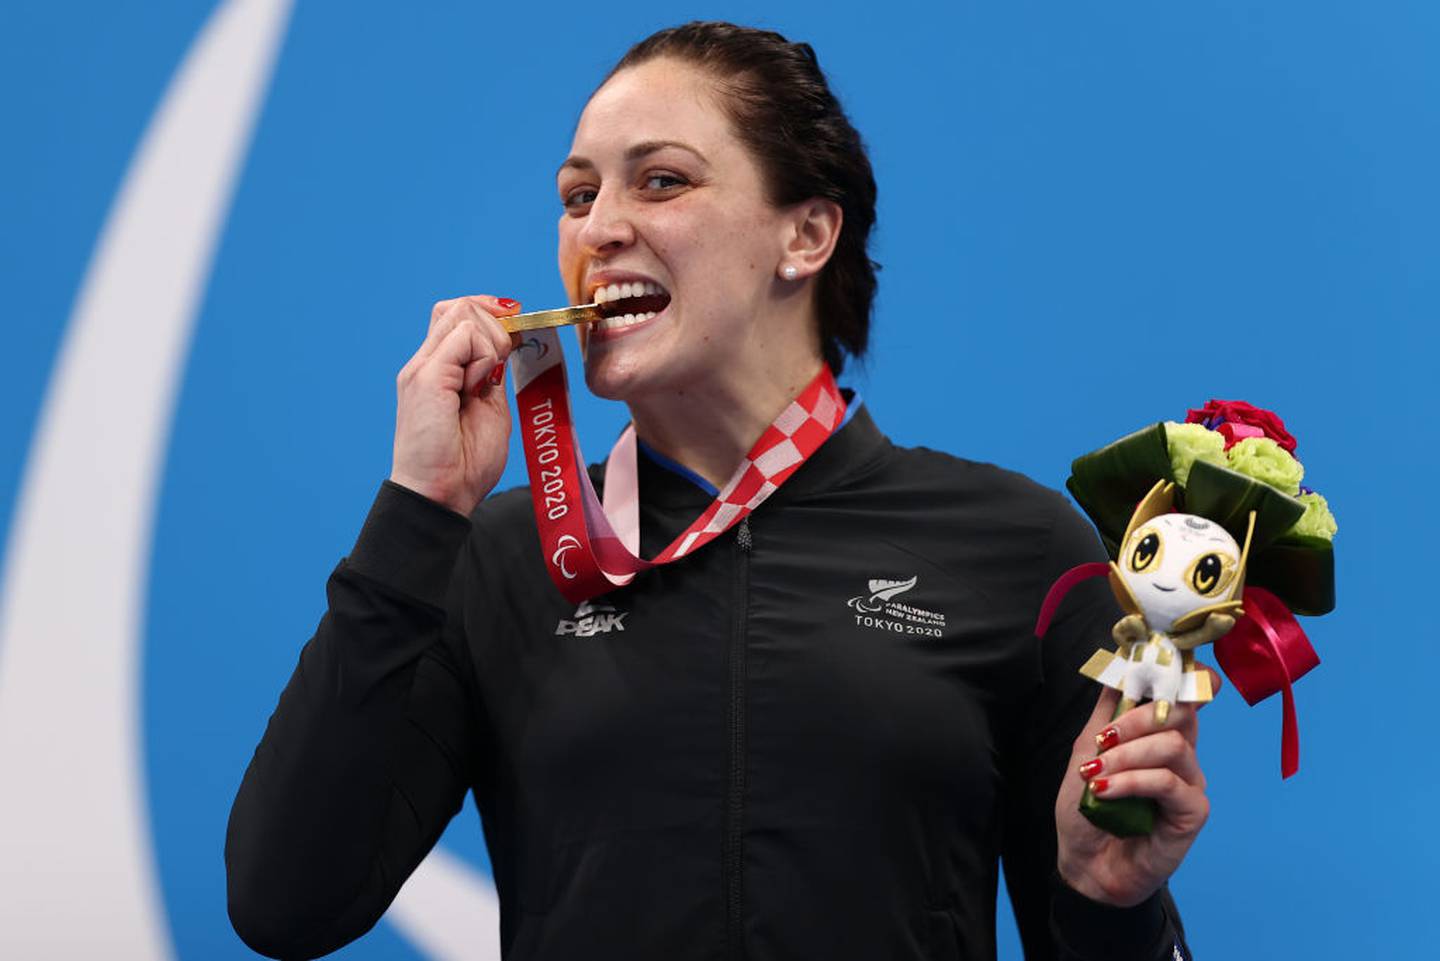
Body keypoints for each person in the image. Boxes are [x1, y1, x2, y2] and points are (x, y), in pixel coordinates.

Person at [226, 21, 1210, 961]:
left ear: (807, 235)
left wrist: (1111, 907)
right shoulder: (496, 557)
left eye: (661, 182)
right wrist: (418, 510)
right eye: (576, 197)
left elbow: (1112, 921)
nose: (599, 228)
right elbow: (284, 902)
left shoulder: (1021, 549)